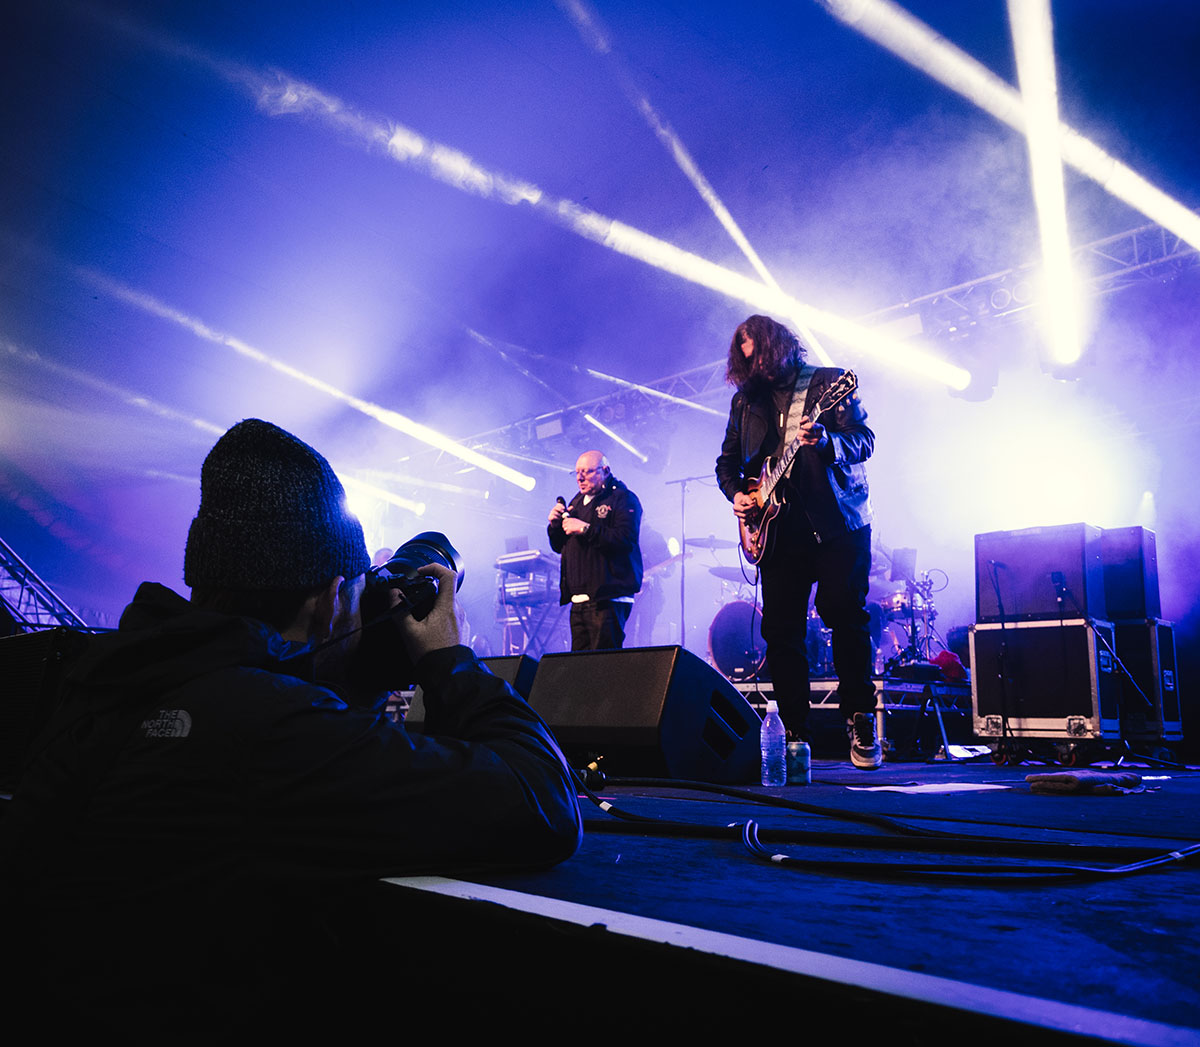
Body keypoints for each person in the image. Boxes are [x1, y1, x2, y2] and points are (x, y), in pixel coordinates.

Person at [1, 418, 582, 1033]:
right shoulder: (271, 730)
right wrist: (445, 657)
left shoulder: (106, 682)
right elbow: (541, 799)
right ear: (327, 598)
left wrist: (346, 680)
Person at [714, 315, 881, 769]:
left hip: (837, 523)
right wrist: (741, 496)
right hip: (777, 531)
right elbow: (726, 464)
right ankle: (793, 732)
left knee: (845, 615)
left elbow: (864, 441)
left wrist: (826, 441)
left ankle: (861, 719)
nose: (757, 369)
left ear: (782, 346)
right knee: (781, 630)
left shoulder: (830, 384)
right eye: (746, 362)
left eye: (761, 358)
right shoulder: (743, 403)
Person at [547, 450, 643, 651]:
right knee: (581, 669)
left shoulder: (623, 499)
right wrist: (555, 525)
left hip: (608, 598)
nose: (580, 477)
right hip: (579, 600)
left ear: (605, 471)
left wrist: (585, 528)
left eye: (588, 472)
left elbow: (625, 539)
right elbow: (559, 546)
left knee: (603, 666)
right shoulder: (576, 503)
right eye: (577, 472)